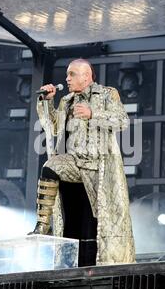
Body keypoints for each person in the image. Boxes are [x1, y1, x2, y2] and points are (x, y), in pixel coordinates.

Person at [29, 59, 136, 266]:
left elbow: (122, 121)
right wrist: (47, 101)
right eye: (67, 75)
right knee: (51, 167)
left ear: (86, 76)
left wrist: (93, 114)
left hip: (99, 168)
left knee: (94, 224)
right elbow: (53, 126)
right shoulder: (66, 101)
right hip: (74, 163)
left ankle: (92, 271)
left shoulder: (107, 94)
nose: (67, 79)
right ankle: (43, 224)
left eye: (72, 74)